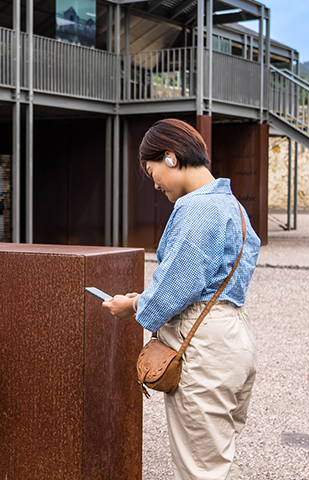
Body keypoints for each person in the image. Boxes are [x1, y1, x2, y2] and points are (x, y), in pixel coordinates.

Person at [102, 118, 260, 480]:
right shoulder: (233, 207)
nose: (154, 181)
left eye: (151, 168)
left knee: (199, 470)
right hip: (233, 336)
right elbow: (208, 280)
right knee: (215, 459)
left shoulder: (196, 208)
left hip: (204, 347)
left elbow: (177, 287)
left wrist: (133, 306)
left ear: (171, 158)